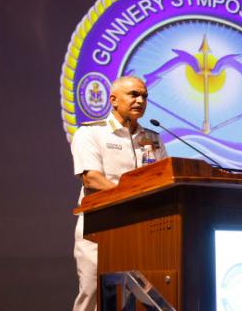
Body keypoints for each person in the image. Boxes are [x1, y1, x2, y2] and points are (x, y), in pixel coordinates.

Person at [69, 76, 168, 311]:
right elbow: (92, 178)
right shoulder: (91, 133)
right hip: (99, 227)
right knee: (94, 294)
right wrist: (130, 195)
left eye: (144, 96)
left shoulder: (153, 138)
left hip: (141, 228)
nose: (140, 101)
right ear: (113, 100)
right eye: (133, 94)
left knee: (139, 296)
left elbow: (164, 179)